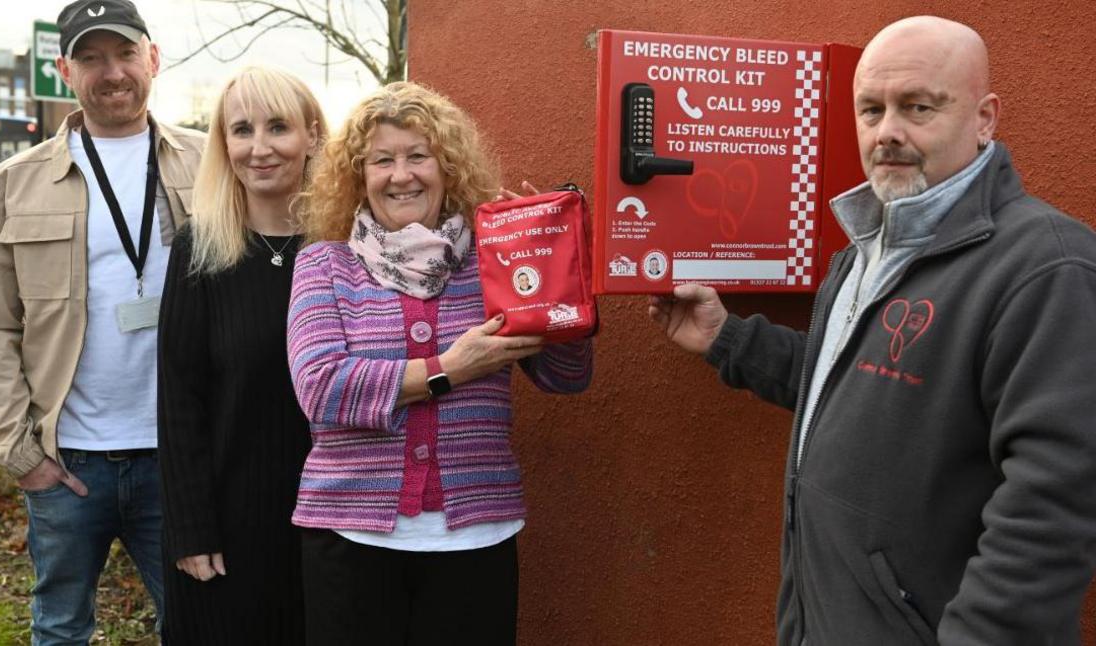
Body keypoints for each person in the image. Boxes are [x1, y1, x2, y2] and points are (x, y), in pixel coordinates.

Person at [649, 16, 1096, 646]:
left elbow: (1055, 508)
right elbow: (861, 384)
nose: (888, 131)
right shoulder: (866, 247)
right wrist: (728, 340)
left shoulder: (1046, 266)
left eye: (918, 107)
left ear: (985, 118)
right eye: (871, 109)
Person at [288, 81, 593, 645]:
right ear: (360, 177)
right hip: (351, 538)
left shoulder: (491, 261)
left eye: (418, 156)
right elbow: (321, 387)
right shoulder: (324, 265)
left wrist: (557, 273)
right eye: (382, 160)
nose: (401, 174)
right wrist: (448, 367)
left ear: (447, 167)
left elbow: (567, 377)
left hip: (475, 536)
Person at [0, 1, 204, 642]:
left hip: (176, 457)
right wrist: (21, 454)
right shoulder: (15, 182)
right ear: (65, 69)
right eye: (91, 58)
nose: (111, 72)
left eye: (124, 54)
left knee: (197, 623)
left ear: (153, 58)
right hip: (68, 463)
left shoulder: (213, 165)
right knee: (60, 628)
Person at [156, 66, 323, 644]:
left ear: (312, 136)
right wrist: (190, 529)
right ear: (223, 146)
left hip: (335, 524)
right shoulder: (200, 250)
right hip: (228, 529)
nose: (259, 147)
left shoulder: (347, 247)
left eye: (278, 127)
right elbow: (179, 399)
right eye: (241, 130)